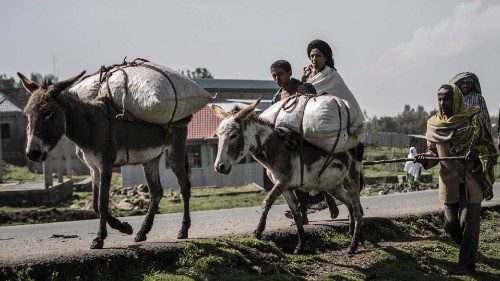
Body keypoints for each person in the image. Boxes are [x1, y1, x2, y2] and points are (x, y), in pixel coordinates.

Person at [414, 84, 497, 275]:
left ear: (457, 99)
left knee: (468, 220)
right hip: (449, 183)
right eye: (440, 98)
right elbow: (432, 152)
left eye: (447, 99)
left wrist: (476, 152)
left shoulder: (472, 120)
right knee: (450, 224)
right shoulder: (434, 124)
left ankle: (467, 265)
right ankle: (469, 247)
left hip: (471, 181)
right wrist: (425, 158)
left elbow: (488, 147)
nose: (443, 103)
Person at [269, 60, 340, 222]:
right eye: (274, 76)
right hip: (289, 142)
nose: (277, 78)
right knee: (292, 173)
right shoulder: (276, 98)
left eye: (280, 74)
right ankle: (303, 212)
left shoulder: (304, 88)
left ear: (289, 73)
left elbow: (317, 109)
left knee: (310, 172)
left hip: (309, 138)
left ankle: (327, 199)